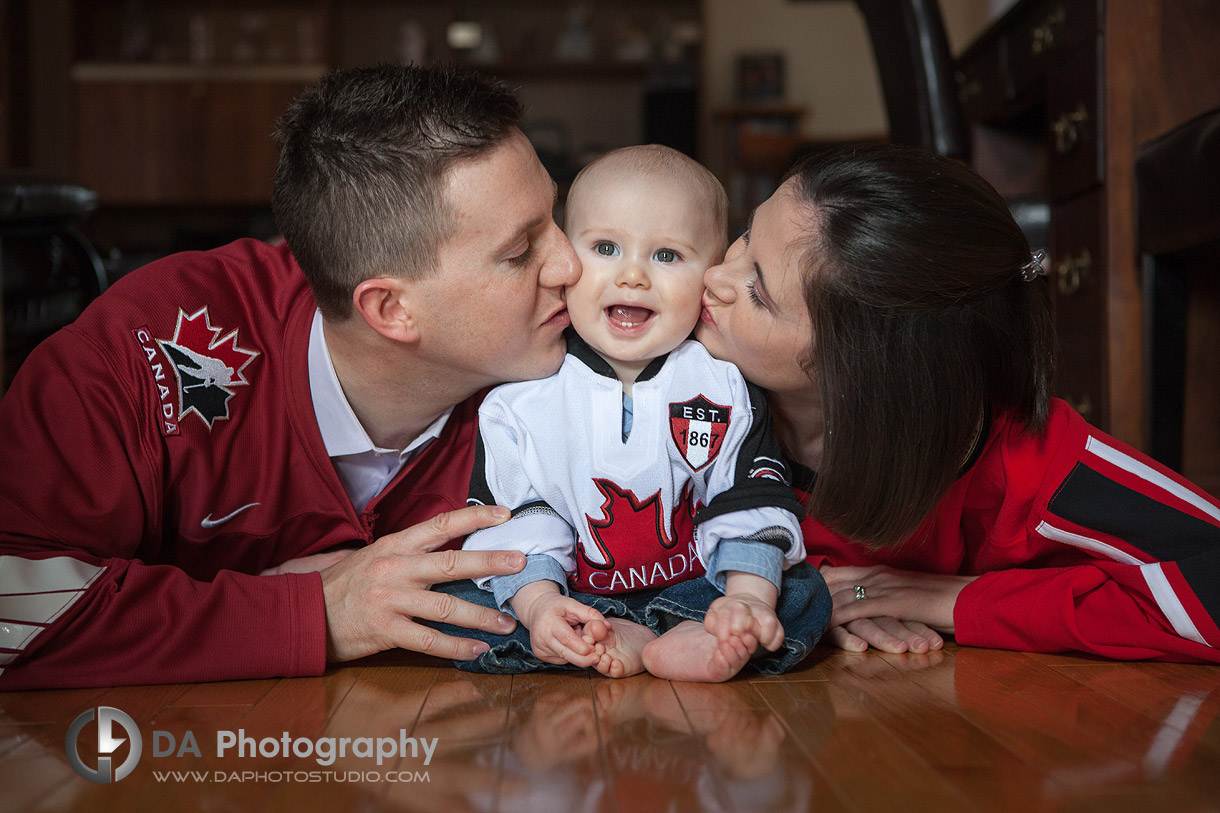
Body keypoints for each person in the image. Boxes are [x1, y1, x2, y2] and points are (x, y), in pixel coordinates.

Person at [0, 63, 583, 689]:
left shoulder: (595, 344)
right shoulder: (146, 346)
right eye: (521, 252)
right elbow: (10, 597)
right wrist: (305, 615)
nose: (572, 264)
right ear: (392, 310)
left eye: (557, 218)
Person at [697, 142, 1220, 663]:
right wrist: (804, 599)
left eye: (759, 293)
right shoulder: (669, 390)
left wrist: (949, 598)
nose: (712, 277)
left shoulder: (1035, 465)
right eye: (744, 237)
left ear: (867, 369)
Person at [429, 146, 829, 682]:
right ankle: (597, 634)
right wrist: (540, 606)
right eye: (606, 247)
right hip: (573, 594)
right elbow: (522, 516)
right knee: (466, 604)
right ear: (567, 258)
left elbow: (745, 498)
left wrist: (749, 599)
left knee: (802, 590)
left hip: (701, 584)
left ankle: (693, 628)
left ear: (708, 276)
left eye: (667, 256)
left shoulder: (723, 382)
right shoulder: (523, 392)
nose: (634, 275)